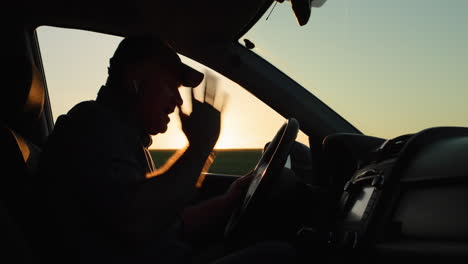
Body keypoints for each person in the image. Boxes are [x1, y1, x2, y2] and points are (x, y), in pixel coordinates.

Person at [36, 35, 296, 264]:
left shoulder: (121, 137)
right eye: (171, 86)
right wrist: (200, 147)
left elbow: (170, 224)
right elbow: (136, 223)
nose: (178, 99)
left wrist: (229, 200)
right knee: (281, 255)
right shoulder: (91, 126)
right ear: (135, 80)